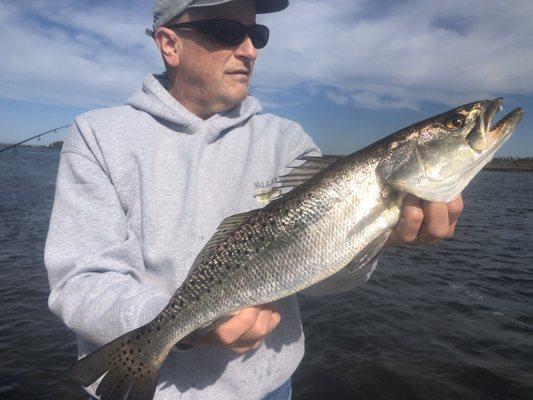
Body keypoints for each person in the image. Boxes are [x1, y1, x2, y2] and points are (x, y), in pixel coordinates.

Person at [44, 0, 464, 399]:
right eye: (227, 31)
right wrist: (184, 325)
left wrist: (378, 240)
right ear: (169, 44)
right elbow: (80, 280)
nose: (249, 51)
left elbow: (320, 278)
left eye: (257, 35)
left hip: (269, 389)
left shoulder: (289, 142)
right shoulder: (98, 135)